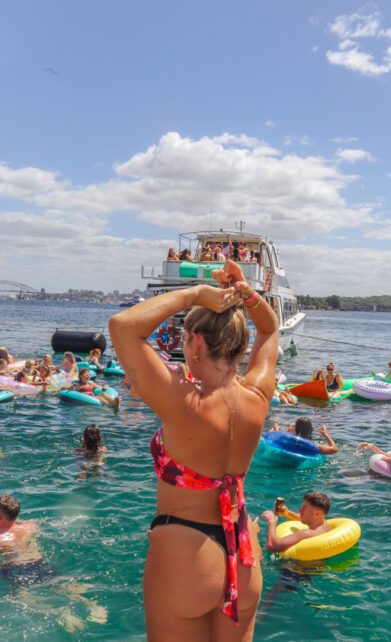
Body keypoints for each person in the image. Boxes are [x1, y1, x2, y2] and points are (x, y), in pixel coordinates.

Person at [108, 258, 279, 639]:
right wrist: (247, 293)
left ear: (197, 342)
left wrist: (197, 294)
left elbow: (123, 327)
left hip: (187, 554)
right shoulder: (257, 397)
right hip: (243, 550)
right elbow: (269, 330)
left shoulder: (183, 403)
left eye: (186, 338)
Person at [0, 495, 107, 631]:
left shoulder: (2, 538)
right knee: (65, 586)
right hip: (40, 564)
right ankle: (92, 605)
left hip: (16, 570)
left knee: (23, 598)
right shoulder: (30, 526)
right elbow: (12, 520)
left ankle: (61, 612)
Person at [261, 492, 331, 553]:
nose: (300, 511)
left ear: (317, 514)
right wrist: (287, 513)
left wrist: (271, 522)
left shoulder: (306, 533)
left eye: (304, 508)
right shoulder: (325, 525)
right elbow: (303, 518)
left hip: (297, 567)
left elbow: (272, 546)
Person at [270, 417, 338, 455]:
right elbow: (334, 449)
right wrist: (326, 434)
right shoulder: (312, 445)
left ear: (296, 429)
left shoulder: (287, 439)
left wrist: (276, 431)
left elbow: (270, 439)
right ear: (311, 430)